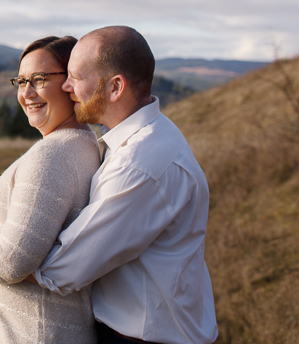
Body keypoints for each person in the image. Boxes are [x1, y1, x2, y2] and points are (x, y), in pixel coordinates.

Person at [32, 26, 218, 344]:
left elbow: (64, 268)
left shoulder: (140, 162)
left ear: (116, 87)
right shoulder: (149, 136)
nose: (65, 86)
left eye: (76, 77)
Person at [0, 36, 101, 344]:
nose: (27, 93)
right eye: (21, 81)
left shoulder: (53, 156)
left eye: (39, 79)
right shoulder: (84, 142)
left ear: (71, 82)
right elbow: (40, 223)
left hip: (34, 334)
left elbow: (12, 261)